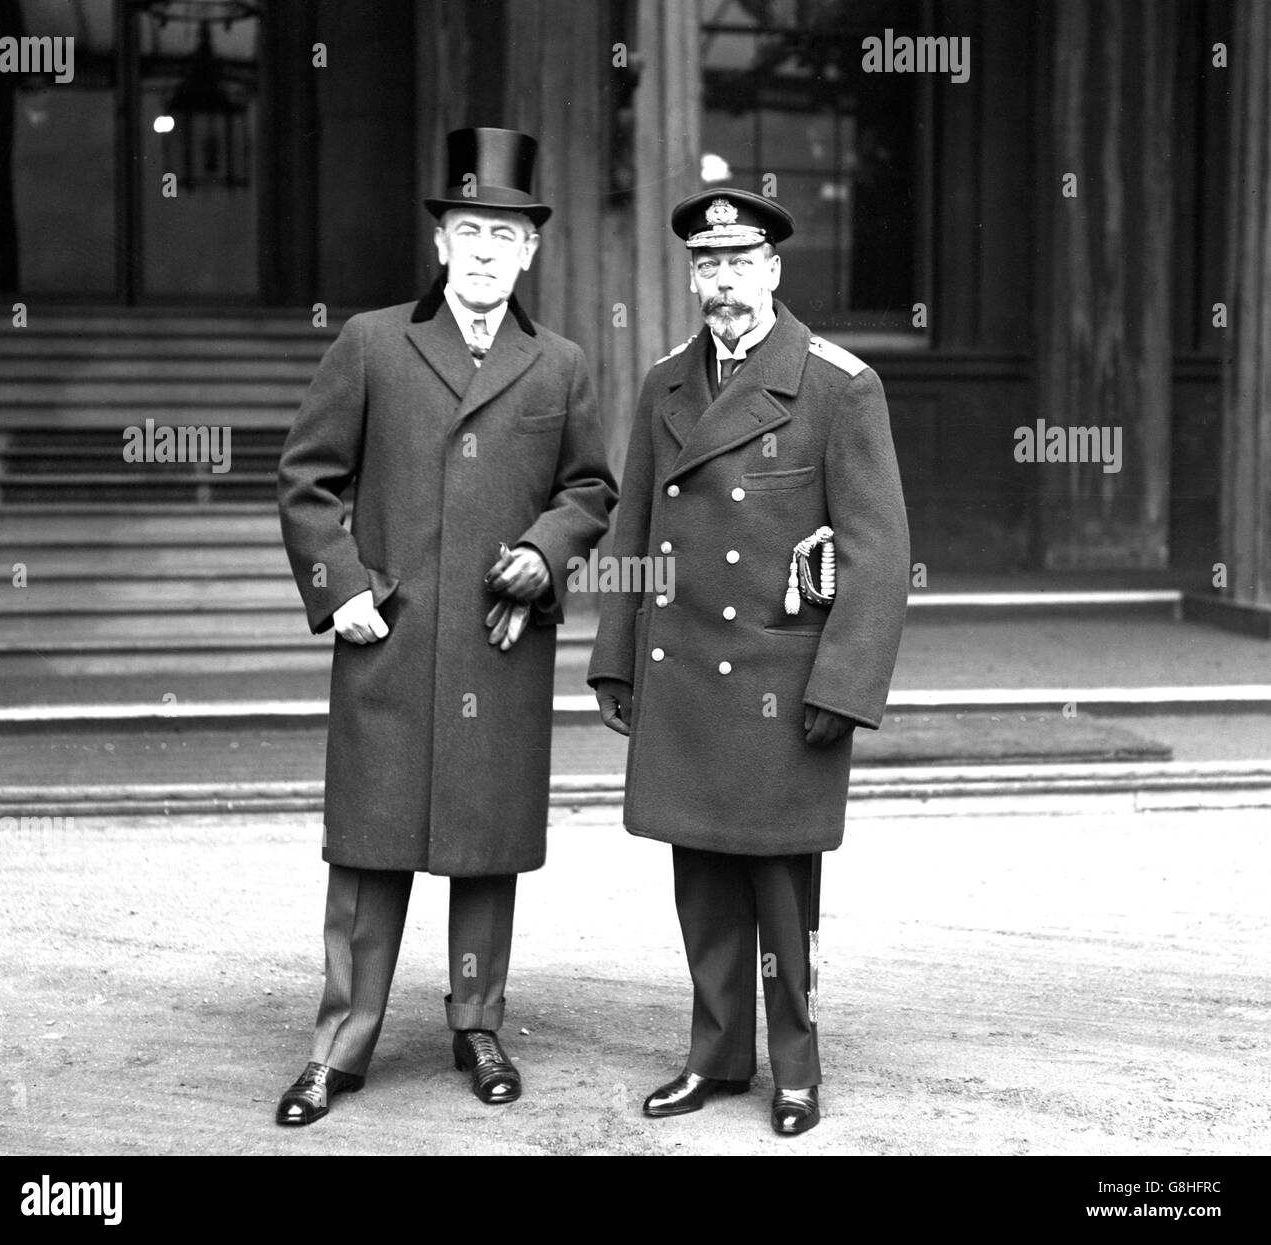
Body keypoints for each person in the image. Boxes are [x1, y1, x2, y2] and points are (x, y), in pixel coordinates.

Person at [275, 127, 616, 1125]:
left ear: (529, 253)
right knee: (369, 853)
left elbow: (591, 485)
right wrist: (341, 588)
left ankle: (478, 1025)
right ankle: (339, 1046)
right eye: (468, 230)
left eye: (503, 235)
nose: (483, 250)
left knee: (483, 850)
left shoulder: (558, 366)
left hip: (497, 645)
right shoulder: (373, 344)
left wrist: (546, 551)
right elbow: (307, 478)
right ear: (439, 245)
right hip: (389, 638)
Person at [588, 187, 910, 1136]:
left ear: (773, 270)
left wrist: (845, 685)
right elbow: (637, 523)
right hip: (685, 670)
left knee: (782, 890)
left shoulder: (837, 383)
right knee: (701, 880)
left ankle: (798, 1071)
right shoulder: (666, 384)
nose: (723, 283)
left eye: (740, 264)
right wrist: (616, 660)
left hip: (781, 680)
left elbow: (878, 553)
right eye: (707, 266)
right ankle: (716, 1057)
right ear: (694, 276)